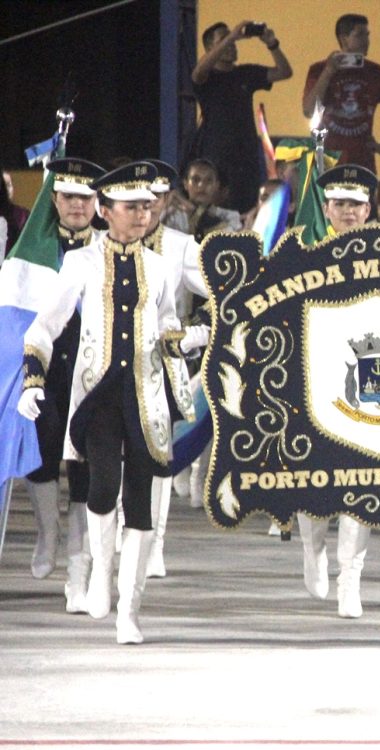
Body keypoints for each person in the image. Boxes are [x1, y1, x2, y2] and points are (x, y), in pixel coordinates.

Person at [18, 162, 205, 644]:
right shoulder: (80, 264)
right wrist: (33, 381)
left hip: (146, 396)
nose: (142, 215)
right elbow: (44, 327)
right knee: (101, 488)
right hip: (97, 396)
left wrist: (188, 339)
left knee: (140, 499)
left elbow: (165, 326)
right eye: (131, 207)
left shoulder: (161, 266)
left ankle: (130, 610)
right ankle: (101, 572)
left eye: (147, 206)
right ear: (106, 211)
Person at [294, 164, 377, 618]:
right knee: (314, 479)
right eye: (340, 204)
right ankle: (313, 548)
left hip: (368, 381)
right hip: (314, 378)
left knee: (361, 482)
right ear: (326, 208)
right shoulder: (305, 253)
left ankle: (351, 578)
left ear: (368, 209)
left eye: (356, 204)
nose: (347, 211)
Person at [21, 159, 103, 604]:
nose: (76, 205)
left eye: (85, 197)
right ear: (54, 200)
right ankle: (46, 536)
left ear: (97, 202)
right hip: (45, 369)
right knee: (42, 452)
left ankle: (78, 570)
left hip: (90, 371)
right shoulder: (33, 247)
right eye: (68, 196)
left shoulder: (107, 249)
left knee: (86, 472)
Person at [141, 159, 210, 579]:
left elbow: (227, 295)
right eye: (135, 199)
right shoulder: (95, 245)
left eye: (154, 198)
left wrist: (196, 336)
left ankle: (154, 544)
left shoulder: (182, 245)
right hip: (105, 367)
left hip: (164, 365)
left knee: (158, 459)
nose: (144, 207)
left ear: (167, 200)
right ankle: (110, 541)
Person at [190, 20, 292, 213]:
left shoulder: (245, 73)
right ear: (211, 47)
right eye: (225, 40)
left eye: (234, 42)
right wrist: (232, 35)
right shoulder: (207, 77)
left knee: (246, 210)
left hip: (246, 158)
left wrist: (272, 43)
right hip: (217, 157)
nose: (232, 45)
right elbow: (197, 72)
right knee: (215, 213)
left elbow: (284, 72)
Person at [302, 13, 380, 173]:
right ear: (343, 40)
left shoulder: (376, 72)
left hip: (362, 161)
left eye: (367, 35)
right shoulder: (319, 70)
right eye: (360, 35)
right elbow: (309, 111)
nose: (366, 40)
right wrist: (329, 72)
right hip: (327, 161)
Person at [162, 158, 243, 241]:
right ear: (185, 184)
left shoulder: (230, 216)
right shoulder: (172, 215)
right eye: (195, 180)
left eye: (208, 180)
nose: (201, 185)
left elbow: (229, 242)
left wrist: (194, 211)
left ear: (216, 185)